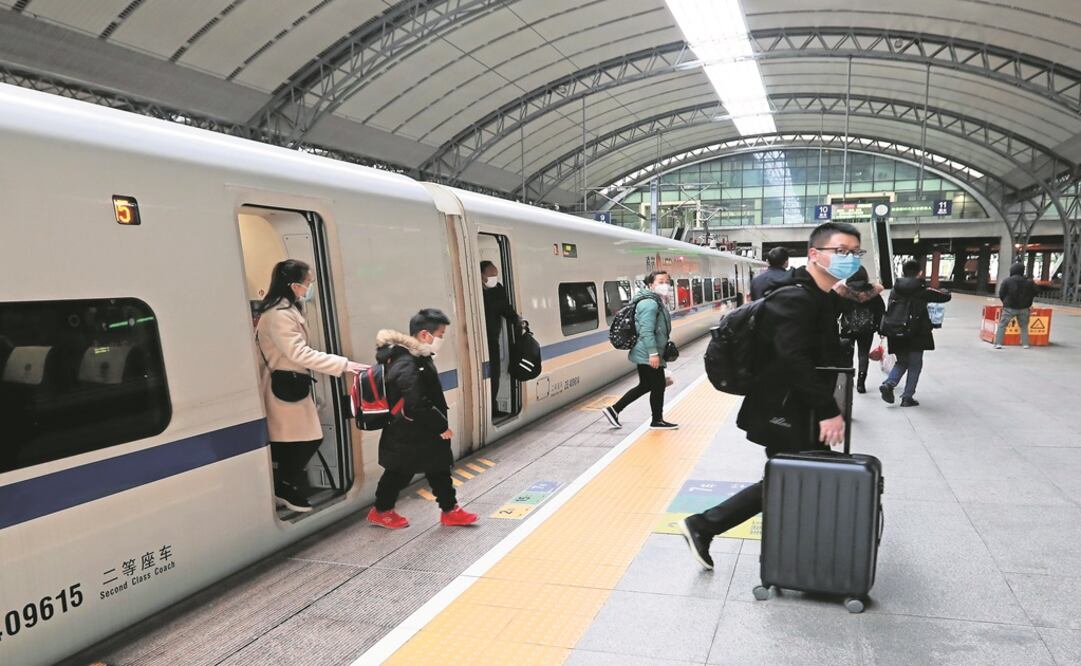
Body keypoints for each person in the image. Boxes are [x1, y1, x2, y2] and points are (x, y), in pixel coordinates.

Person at [679, 222, 861, 570]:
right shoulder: (796, 299)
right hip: (783, 407)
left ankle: (787, 546)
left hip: (793, 405)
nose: (849, 259)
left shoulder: (817, 297)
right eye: (841, 252)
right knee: (792, 475)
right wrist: (828, 409)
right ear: (814, 254)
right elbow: (794, 359)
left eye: (854, 253)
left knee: (798, 474)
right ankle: (705, 524)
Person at [255, 259, 366, 513]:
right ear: (293, 285)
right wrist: (343, 364)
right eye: (308, 283)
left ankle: (285, 484)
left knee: (293, 440)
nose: (310, 287)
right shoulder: (279, 315)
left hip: (290, 384)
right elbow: (299, 353)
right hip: (283, 387)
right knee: (308, 438)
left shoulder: (286, 309)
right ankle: (283, 486)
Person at [367, 308, 478, 529]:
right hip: (409, 432)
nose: (441, 340)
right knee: (399, 473)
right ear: (425, 334)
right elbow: (416, 402)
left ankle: (450, 510)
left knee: (438, 468)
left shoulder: (416, 357)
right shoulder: (406, 362)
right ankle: (381, 511)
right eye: (440, 335)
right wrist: (441, 426)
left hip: (419, 431)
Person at [602, 271, 679, 430]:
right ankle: (657, 420)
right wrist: (653, 353)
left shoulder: (655, 300)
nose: (665, 284)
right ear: (651, 284)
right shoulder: (649, 303)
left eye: (667, 281)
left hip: (647, 351)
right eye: (660, 281)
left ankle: (614, 410)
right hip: (647, 353)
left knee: (645, 385)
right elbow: (646, 331)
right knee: (657, 386)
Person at [880, 260, 951, 407]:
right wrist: (945, 291)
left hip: (896, 331)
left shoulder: (895, 288)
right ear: (919, 273)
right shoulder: (922, 289)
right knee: (915, 365)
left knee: (902, 361)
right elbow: (944, 296)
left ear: (903, 272)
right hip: (917, 333)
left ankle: (889, 384)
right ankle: (907, 397)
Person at [481, 261, 522, 416]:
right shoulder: (474, 291)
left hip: (492, 338)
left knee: (495, 373)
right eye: (491, 274)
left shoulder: (498, 290)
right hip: (476, 341)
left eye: (495, 274)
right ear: (481, 275)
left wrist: (518, 320)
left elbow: (506, 309)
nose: (494, 278)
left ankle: (493, 407)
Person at [838, 265, 886, 393]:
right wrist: (879, 328)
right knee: (863, 354)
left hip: (847, 329)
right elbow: (880, 311)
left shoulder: (844, 292)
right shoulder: (873, 293)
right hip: (867, 329)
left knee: (847, 355)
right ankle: (861, 383)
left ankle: (849, 381)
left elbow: (836, 310)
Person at [994, 262, 1037, 349]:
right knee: (1024, 326)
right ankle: (1025, 344)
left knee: (1002, 324)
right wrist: (1029, 301)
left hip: (1009, 307)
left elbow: (1001, 293)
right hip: (1024, 308)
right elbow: (1036, 291)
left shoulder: (1007, 280)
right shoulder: (1029, 281)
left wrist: (1005, 302)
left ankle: (998, 343)